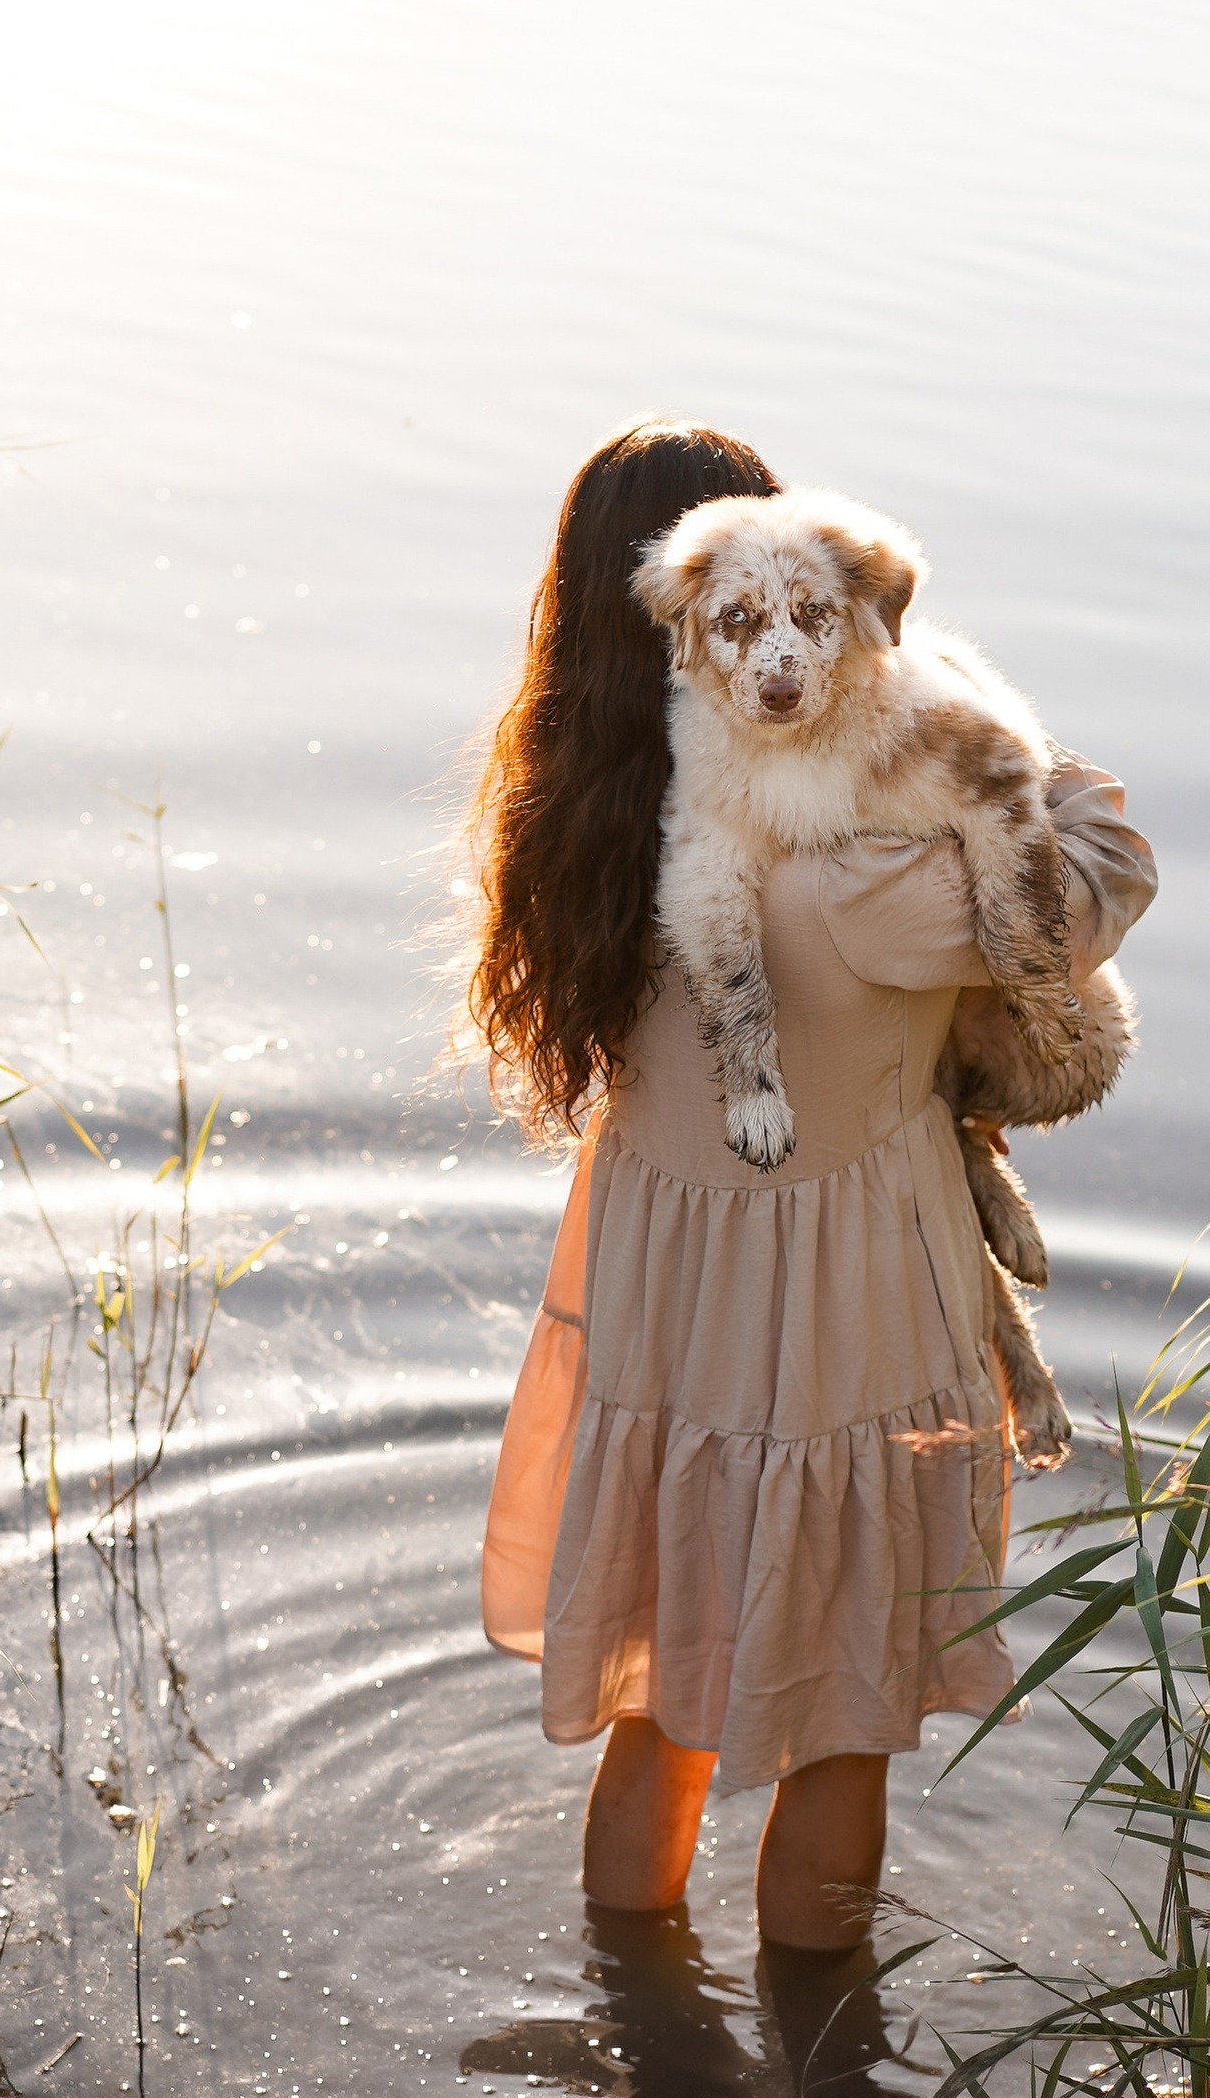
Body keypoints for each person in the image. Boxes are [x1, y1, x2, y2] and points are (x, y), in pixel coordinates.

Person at [466, 421, 1156, 1952]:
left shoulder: (576, 836)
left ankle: (641, 2022)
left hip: (670, 1319)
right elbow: (1105, 865)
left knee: (669, 1697)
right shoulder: (869, 885)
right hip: (848, 1316)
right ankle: (826, 2079)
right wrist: (940, 686)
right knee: (845, 1715)